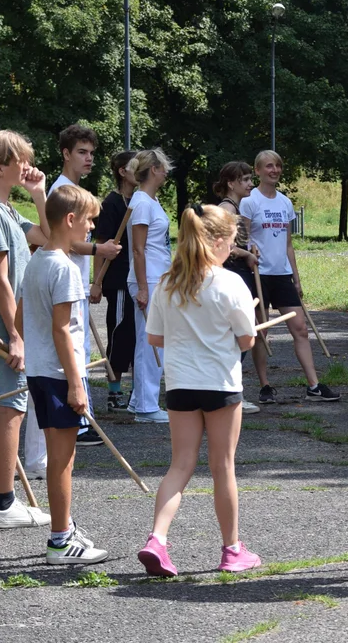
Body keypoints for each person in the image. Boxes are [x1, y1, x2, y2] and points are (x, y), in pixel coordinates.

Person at [137, 203, 261, 576]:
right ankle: (232, 550)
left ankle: (156, 540)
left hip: (179, 385)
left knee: (180, 464)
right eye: (232, 241)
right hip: (220, 385)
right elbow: (246, 341)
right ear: (221, 241)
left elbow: (155, 336)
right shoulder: (229, 282)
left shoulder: (168, 282)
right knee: (223, 467)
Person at [18, 184, 108, 564]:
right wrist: (76, 384)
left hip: (41, 373)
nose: (90, 229)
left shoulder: (36, 259)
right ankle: (59, 540)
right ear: (70, 220)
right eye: (89, 221)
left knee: (58, 458)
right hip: (59, 375)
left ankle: (65, 527)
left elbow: (21, 318)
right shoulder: (67, 269)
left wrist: (27, 353)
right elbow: (63, 330)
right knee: (62, 460)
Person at [0, 129, 51, 529]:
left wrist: (40, 194)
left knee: (15, 407)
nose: (27, 165)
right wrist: (15, 335)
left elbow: (51, 239)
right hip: (6, 325)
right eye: (20, 160)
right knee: (11, 408)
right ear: (0, 167)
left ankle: (6, 501)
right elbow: (1, 281)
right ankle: (2, 505)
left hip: (16, 323)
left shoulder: (6, 211)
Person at [240, 150, 339, 404]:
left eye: (278, 166)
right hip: (258, 274)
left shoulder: (284, 202)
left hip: (282, 273)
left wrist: (297, 277)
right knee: (261, 331)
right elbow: (242, 239)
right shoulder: (249, 201)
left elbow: (288, 245)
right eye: (269, 166)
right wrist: (249, 255)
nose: (274, 170)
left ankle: (314, 385)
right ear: (258, 170)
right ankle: (265, 386)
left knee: (300, 328)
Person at [48, 124, 121, 447]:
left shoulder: (78, 192)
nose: (89, 159)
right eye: (82, 152)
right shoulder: (61, 192)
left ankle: (81, 417)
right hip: (64, 281)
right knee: (73, 351)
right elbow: (61, 240)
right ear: (66, 154)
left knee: (81, 350)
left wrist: (93, 278)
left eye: (91, 153)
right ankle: (77, 422)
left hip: (75, 282)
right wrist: (99, 250)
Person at [126, 148, 173, 424]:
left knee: (153, 340)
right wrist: (143, 288)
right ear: (153, 169)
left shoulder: (148, 201)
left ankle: (138, 402)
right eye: (163, 167)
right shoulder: (142, 202)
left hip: (157, 278)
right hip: (149, 280)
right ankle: (146, 406)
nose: (166, 172)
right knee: (150, 342)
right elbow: (138, 250)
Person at [90, 150, 139, 411]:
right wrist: (97, 282)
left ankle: (137, 391)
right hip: (119, 280)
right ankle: (114, 392)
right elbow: (100, 244)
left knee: (138, 336)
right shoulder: (111, 203)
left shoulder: (141, 201)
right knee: (120, 333)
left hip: (139, 279)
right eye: (136, 166)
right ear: (122, 172)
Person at [214, 160, 260, 414]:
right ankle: (228, 391)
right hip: (232, 271)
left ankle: (232, 389)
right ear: (231, 183)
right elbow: (223, 245)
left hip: (239, 270)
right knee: (237, 333)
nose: (250, 184)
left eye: (249, 179)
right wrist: (246, 253)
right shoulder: (225, 209)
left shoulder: (235, 207)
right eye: (244, 180)